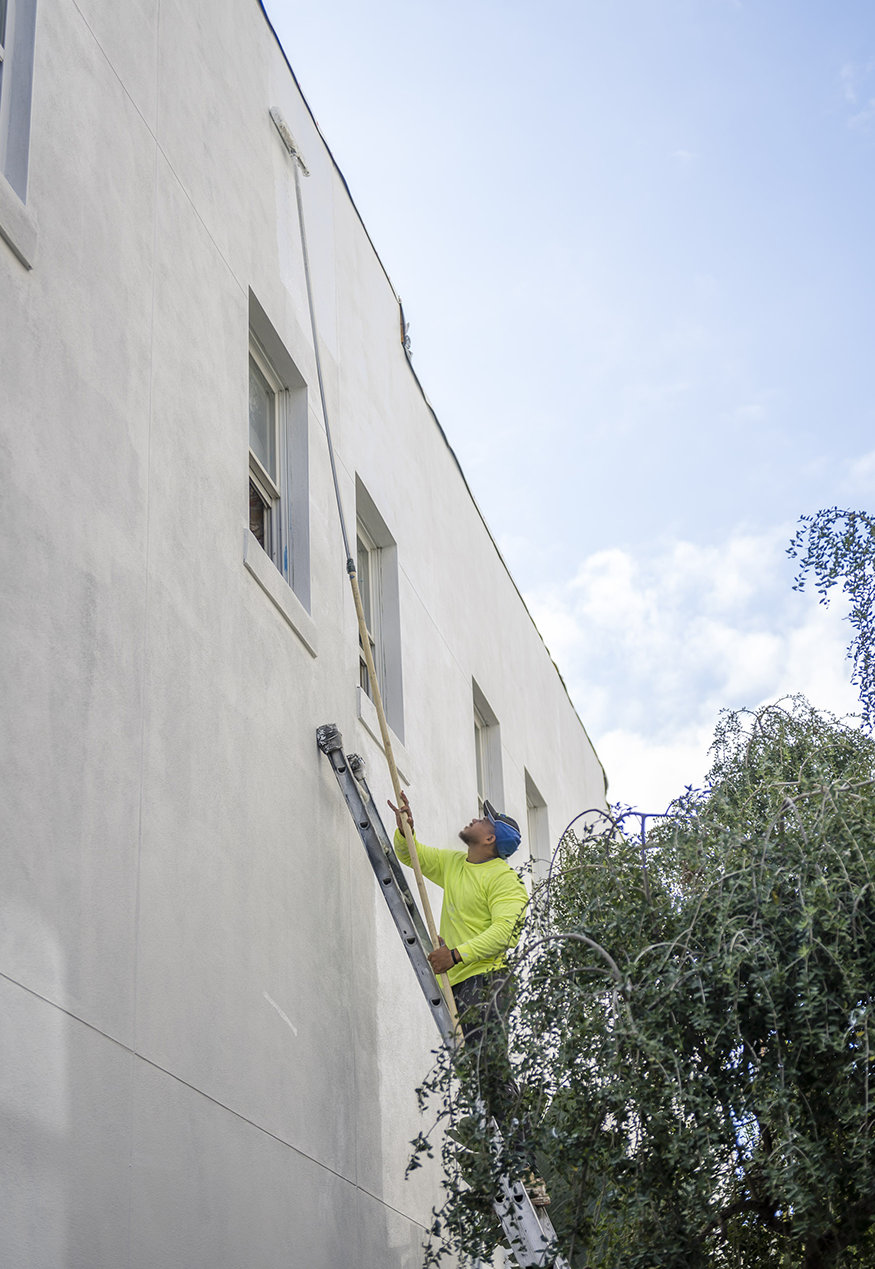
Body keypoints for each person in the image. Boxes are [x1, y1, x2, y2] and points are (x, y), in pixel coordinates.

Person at [388, 791, 549, 1205]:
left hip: (488, 983)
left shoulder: (504, 881)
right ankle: (501, 1173)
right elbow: (411, 857)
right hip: (458, 985)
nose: (476, 819)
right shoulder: (456, 864)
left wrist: (456, 954)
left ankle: (527, 1171)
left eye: (484, 820)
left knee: (492, 1074)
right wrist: (406, 828)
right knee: (477, 1082)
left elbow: (505, 933)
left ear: (490, 839)